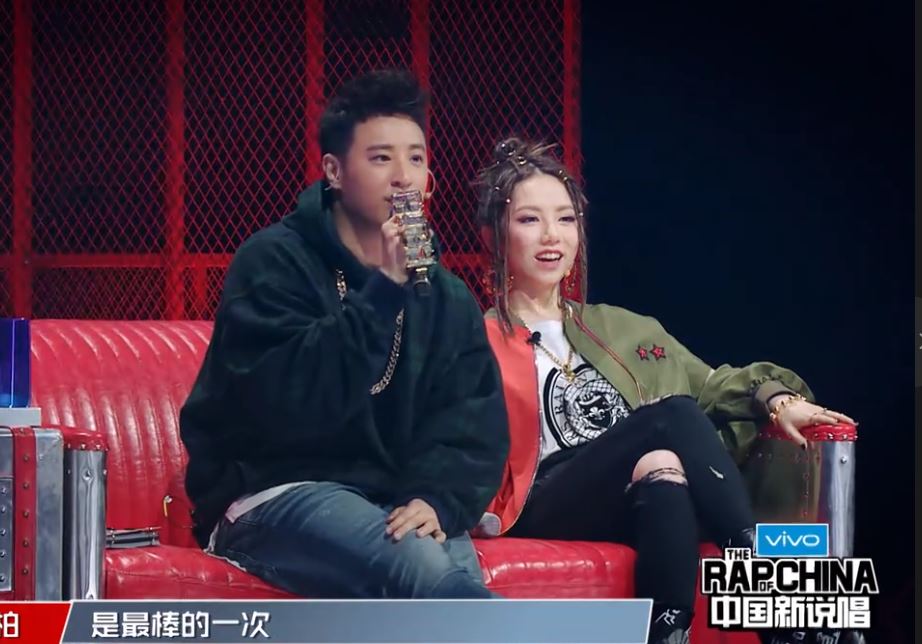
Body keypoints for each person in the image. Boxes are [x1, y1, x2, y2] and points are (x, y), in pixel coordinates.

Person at [472, 137, 856, 644]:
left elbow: (713, 384)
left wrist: (778, 399)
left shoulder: (624, 329)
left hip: (625, 495)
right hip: (536, 502)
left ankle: (669, 631)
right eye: (529, 219)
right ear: (494, 235)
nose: (552, 236)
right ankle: (769, 591)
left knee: (662, 464)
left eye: (565, 219)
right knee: (668, 418)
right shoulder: (474, 338)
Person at [179, 69, 509, 599]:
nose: (403, 178)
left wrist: (436, 499)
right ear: (334, 171)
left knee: (449, 568)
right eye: (381, 158)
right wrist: (382, 290)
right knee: (425, 570)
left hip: (391, 499)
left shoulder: (444, 294)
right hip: (275, 492)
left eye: (416, 159)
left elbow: (473, 421)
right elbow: (289, 406)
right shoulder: (273, 263)